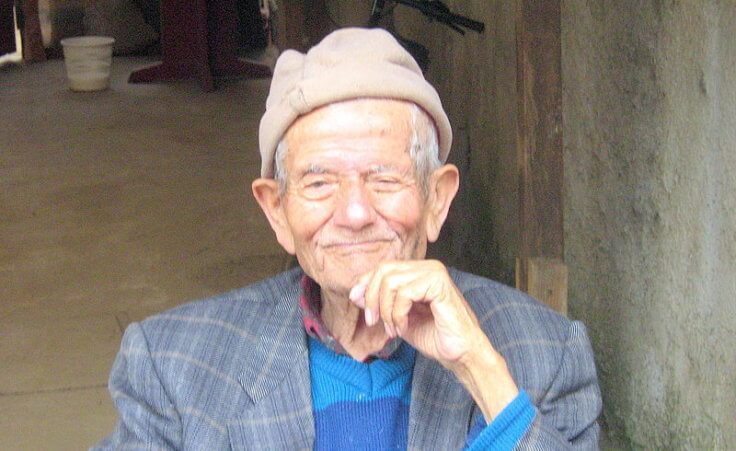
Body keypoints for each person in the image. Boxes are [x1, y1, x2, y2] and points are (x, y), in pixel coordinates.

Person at [94, 28, 601, 450]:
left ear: (437, 199)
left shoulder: (546, 354)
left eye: (385, 179)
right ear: (277, 211)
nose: (355, 213)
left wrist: (480, 370)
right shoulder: (173, 366)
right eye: (319, 183)